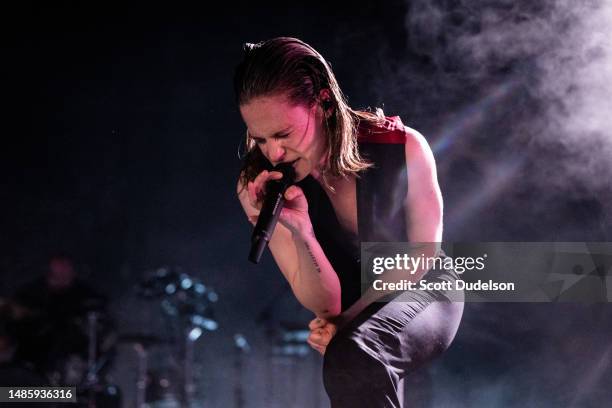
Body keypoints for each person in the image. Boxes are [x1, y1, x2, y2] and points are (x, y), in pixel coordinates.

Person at [234, 37, 463, 407]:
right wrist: (301, 231)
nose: (273, 153)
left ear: (323, 102)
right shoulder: (259, 185)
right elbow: (325, 304)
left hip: (424, 286)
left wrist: (349, 325)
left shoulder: (402, 147)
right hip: (351, 311)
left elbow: (422, 253)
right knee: (352, 359)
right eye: (260, 139)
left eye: (283, 135)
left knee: (354, 355)